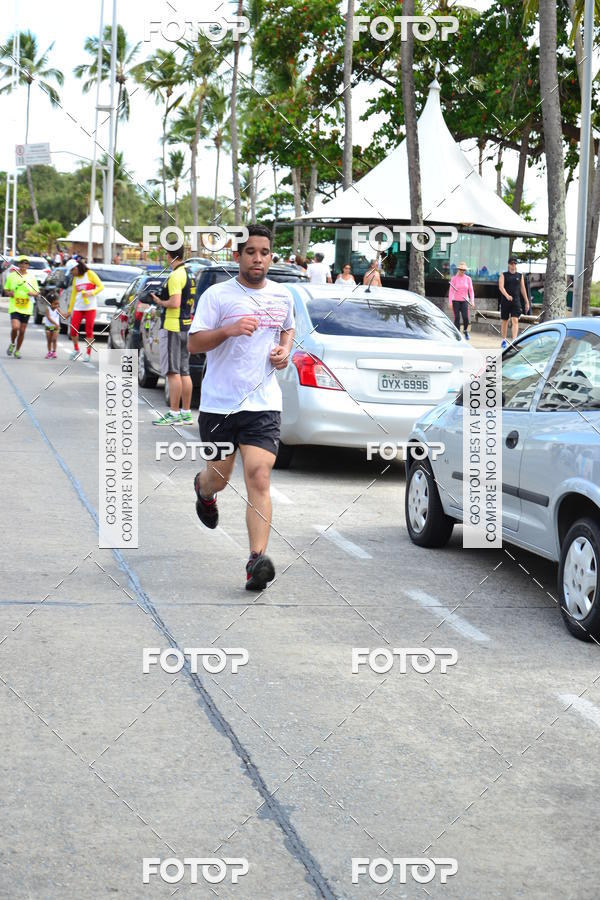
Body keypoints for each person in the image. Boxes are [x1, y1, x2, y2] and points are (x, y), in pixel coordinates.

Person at [188, 224, 295, 591]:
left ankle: (256, 561)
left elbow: (287, 329)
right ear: (238, 256)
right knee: (219, 475)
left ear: (270, 256)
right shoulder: (217, 296)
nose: (258, 258)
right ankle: (204, 491)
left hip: (264, 404)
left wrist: (284, 352)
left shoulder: (282, 296)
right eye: (251, 252)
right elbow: (194, 344)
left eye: (264, 252)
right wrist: (229, 330)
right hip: (220, 405)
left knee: (259, 477)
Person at [151, 245, 194, 425]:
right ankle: (186, 412)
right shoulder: (189, 273)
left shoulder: (176, 275)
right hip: (185, 326)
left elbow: (175, 302)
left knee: (172, 371)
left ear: (170, 256)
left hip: (172, 326)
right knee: (184, 371)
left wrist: (160, 301)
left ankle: (174, 413)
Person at [67, 259, 103, 360]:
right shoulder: (75, 279)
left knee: (89, 331)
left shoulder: (90, 274)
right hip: (78, 307)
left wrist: (91, 293)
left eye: (71, 271)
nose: (71, 274)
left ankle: (88, 353)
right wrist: (69, 311)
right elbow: (73, 296)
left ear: (75, 268)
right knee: (73, 330)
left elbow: (101, 286)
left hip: (90, 307)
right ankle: (76, 349)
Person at [5, 256, 41, 357]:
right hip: (15, 306)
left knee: (22, 331)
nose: (24, 265)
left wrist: (32, 293)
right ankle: (12, 343)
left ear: (28, 265)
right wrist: (9, 293)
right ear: (19, 264)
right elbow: (6, 289)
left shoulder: (32, 278)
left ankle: (17, 350)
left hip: (27, 307)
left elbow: (37, 292)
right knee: (15, 327)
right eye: (22, 263)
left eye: (26, 264)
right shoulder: (12, 276)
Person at [498, 256, 530, 348]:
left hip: (516, 301)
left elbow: (523, 289)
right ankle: (504, 339)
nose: (513, 265)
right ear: (508, 264)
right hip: (505, 301)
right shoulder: (503, 275)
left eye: (515, 263)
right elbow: (501, 287)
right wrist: (507, 295)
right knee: (505, 321)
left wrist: (527, 302)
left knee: (515, 320)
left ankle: (514, 340)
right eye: (512, 263)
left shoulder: (520, 276)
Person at [448, 261, 474, 340]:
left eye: (464, 270)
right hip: (455, 301)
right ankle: (458, 334)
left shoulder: (468, 279)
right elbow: (451, 291)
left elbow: (471, 290)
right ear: (458, 270)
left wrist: (472, 301)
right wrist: (450, 302)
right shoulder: (454, 279)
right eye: (461, 269)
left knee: (466, 318)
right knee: (457, 318)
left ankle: (465, 331)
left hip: (464, 301)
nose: (462, 271)